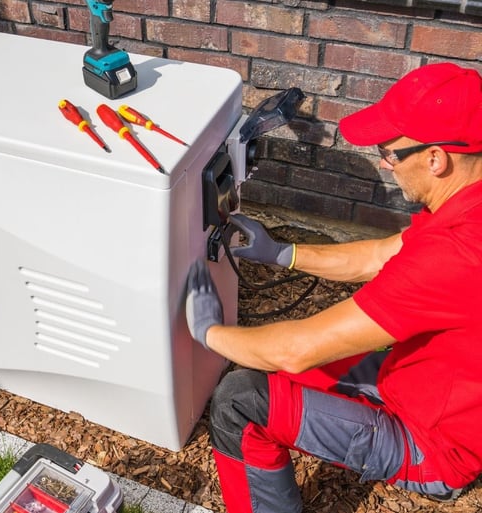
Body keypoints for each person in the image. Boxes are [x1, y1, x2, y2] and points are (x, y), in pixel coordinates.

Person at [185, 62, 482, 513]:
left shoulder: (459, 251)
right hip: (420, 384)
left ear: (436, 158)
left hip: (435, 444)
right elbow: (381, 254)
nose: (385, 165)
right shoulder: (466, 206)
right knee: (271, 368)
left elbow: (296, 350)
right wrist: (283, 253)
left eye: (389, 153)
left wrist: (208, 333)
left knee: (239, 402)